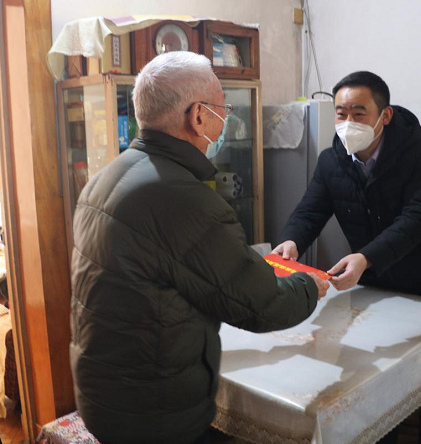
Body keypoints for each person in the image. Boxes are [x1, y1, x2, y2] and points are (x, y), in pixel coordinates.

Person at [69, 51, 329, 444]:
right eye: (224, 109)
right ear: (198, 116)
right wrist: (310, 286)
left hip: (104, 392)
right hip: (154, 415)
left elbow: (173, 266)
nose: (227, 121)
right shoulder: (182, 197)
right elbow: (262, 304)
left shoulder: (108, 175)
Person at [273, 71, 421, 302]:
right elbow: (310, 212)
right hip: (371, 282)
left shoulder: (418, 153)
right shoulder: (330, 161)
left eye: (359, 114)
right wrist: (291, 240)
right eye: (341, 114)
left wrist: (366, 257)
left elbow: (417, 217)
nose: (348, 123)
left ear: (385, 115)